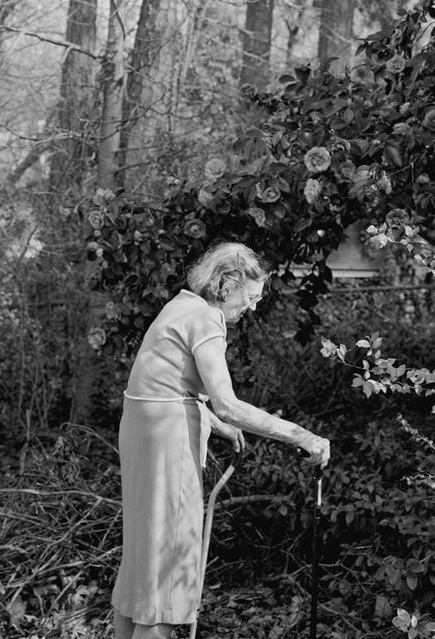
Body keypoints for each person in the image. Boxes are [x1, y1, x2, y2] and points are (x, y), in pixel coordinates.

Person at [111, 241, 331, 639]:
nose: (252, 306)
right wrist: (301, 435)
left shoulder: (179, 305)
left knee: (144, 559)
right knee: (168, 566)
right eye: (249, 296)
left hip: (143, 431)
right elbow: (227, 403)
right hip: (167, 440)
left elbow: (164, 384)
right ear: (227, 283)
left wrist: (215, 422)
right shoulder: (207, 318)